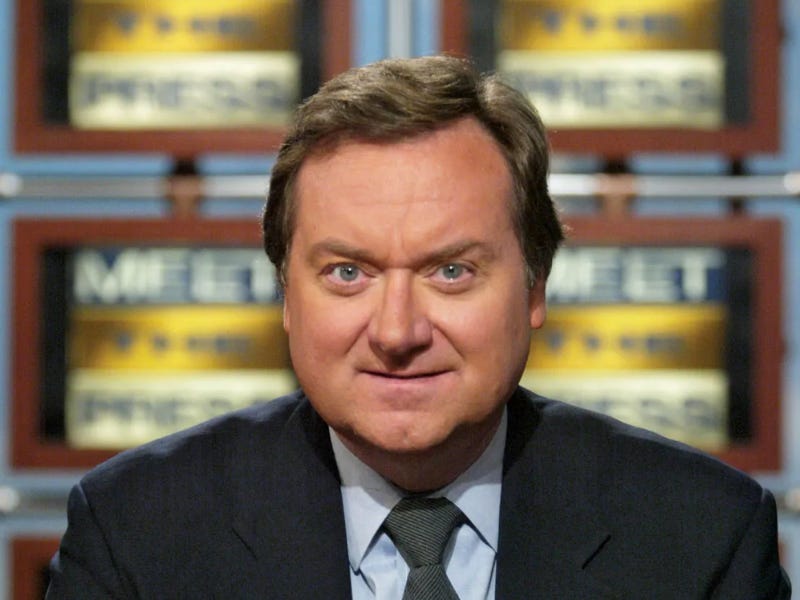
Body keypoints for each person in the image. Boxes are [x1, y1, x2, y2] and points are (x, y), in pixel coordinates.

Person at [47, 55, 790, 599]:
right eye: (348, 272)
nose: (397, 332)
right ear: (285, 295)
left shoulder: (703, 537)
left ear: (535, 286)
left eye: (451, 271)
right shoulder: (134, 533)